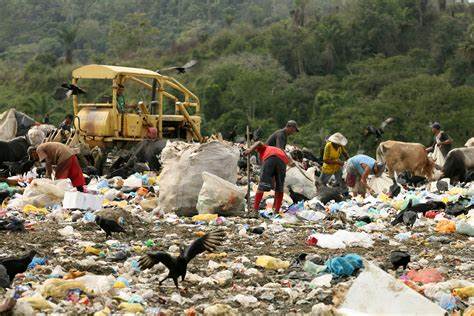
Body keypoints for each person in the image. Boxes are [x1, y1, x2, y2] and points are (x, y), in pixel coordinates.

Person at [244, 141, 293, 213]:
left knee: (262, 185)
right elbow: (287, 159)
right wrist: (291, 162)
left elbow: (259, 142)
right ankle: (276, 211)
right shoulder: (277, 149)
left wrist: (249, 150)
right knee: (279, 187)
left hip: (270, 158)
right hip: (282, 160)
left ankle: (255, 210)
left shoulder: (264, 148)